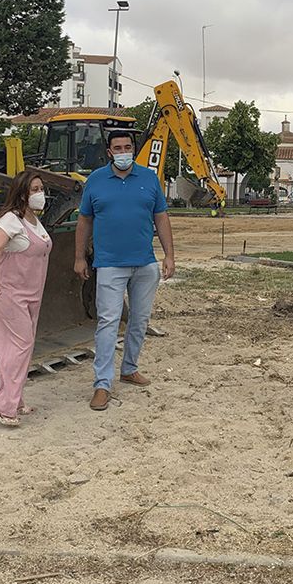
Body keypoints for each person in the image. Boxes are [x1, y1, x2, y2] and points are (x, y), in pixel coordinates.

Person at [74, 130, 174, 411]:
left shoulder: (149, 179)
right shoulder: (95, 181)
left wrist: (169, 255)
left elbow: (161, 217)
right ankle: (102, 384)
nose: (123, 151)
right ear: (109, 152)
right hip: (109, 264)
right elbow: (84, 221)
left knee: (140, 320)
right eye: (117, 147)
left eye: (127, 147)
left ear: (134, 149)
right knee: (108, 322)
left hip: (144, 262)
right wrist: (79, 257)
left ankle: (129, 367)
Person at [0, 170, 53, 426]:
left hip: (32, 292)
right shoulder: (11, 220)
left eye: (41, 188)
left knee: (20, 346)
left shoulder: (34, 221)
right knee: (21, 344)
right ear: (22, 193)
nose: (39, 194)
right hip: (6, 290)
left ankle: (14, 397)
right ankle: (2, 405)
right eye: (34, 189)